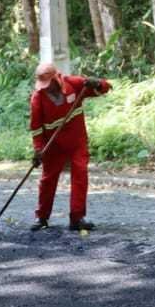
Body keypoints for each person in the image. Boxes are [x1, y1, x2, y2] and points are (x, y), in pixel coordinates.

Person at [29, 62, 112, 232]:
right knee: (48, 179)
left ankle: (77, 217)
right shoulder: (38, 98)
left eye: (48, 84)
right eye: (42, 85)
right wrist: (39, 149)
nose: (45, 88)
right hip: (53, 145)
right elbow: (36, 128)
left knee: (80, 173)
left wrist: (97, 83)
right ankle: (42, 217)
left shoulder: (73, 84)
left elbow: (104, 88)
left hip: (77, 141)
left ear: (56, 79)